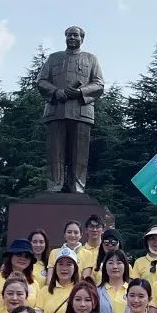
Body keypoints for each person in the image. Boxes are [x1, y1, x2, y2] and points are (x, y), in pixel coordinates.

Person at [36, 25, 105, 194]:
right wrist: (55, 92)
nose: (72, 38)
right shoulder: (53, 58)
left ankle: (77, 187)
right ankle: (54, 186)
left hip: (81, 112)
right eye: (69, 35)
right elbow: (41, 81)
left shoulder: (91, 59)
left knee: (79, 154)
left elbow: (99, 84)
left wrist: (81, 92)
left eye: (75, 35)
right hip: (56, 110)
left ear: (82, 39)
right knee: (55, 152)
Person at [38, 247, 79, 313]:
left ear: (75, 268)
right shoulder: (45, 291)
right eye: (60, 264)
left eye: (69, 264)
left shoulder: (79, 291)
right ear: (55, 267)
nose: (64, 268)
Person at [96, 249, 130, 313]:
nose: (115, 266)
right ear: (105, 266)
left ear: (125, 266)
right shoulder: (97, 292)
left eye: (119, 263)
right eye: (110, 263)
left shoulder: (132, 290)